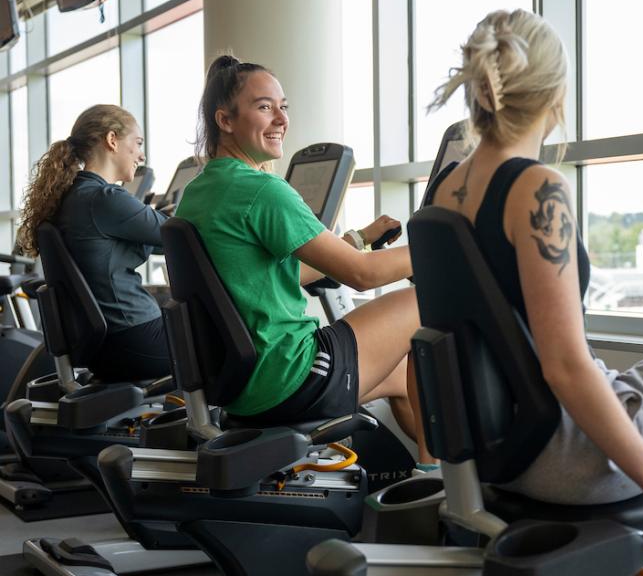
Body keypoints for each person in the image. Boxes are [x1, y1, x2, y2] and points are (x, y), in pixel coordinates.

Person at [424, 7, 643, 576]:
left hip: (506, 449)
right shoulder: (537, 188)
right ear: (558, 98)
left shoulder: (448, 190)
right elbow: (565, 367)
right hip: (569, 453)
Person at [175, 56, 434, 466]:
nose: (281, 118)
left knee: (404, 378)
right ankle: (449, 494)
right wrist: (444, 246)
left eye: (283, 106)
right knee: (424, 305)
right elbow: (362, 275)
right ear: (225, 120)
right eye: (264, 107)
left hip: (245, 387)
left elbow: (276, 274)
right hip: (292, 376)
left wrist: (357, 240)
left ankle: (430, 483)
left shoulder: (199, 192)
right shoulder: (262, 191)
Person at [17, 104, 172, 382]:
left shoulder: (72, 196)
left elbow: (154, 242)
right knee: (220, 333)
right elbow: (177, 236)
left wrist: (147, 219)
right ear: (112, 140)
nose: (141, 154)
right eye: (137, 143)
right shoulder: (104, 198)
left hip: (105, 345)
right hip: (135, 340)